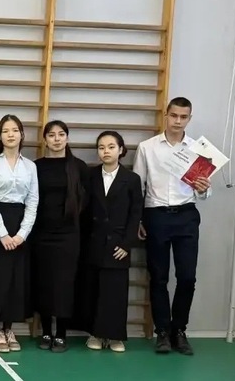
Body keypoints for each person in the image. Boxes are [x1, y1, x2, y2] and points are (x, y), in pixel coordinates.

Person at [133, 97, 211, 355]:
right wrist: (139, 219)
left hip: (186, 215)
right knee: (158, 277)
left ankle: (179, 330)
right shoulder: (147, 147)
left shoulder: (199, 150)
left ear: (189, 118)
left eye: (183, 117)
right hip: (156, 215)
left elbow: (202, 191)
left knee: (187, 277)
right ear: (166, 115)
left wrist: (204, 189)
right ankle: (163, 332)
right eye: (174, 115)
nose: (178, 121)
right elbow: (139, 186)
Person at [0, 114, 38, 353]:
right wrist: (3, 234)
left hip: (20, 226)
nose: (10, 134)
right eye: (5, 131)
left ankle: (9, 328)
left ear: (22, 134)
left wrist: (22, 234)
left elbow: (33, 202)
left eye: (15, 130)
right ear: (0, 136)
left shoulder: (30, 166)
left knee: (15, 279)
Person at [78, 131, 143, 352]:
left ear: (121, 150)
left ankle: (115, 336)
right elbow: (84, 210)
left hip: (118, 244)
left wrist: (127, 244)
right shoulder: (90, 175)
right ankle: (95, 334)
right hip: (94, 242)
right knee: (94, 290)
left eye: (111, 147)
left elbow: (135, 214)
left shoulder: (131, 179)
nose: (106, 151)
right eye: (101, 147)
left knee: (115, 292)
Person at [31, 121, 88, 352]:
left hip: (68, 235)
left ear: (67, 138)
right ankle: (46, 332)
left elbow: (87, 202)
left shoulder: (78, 167)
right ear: (45, 139)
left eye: (61, 134)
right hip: (41, 234)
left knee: (64, 284)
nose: (56, 139)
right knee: (44, 282)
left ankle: (62, 334)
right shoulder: (36, 166)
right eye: (52, 135)